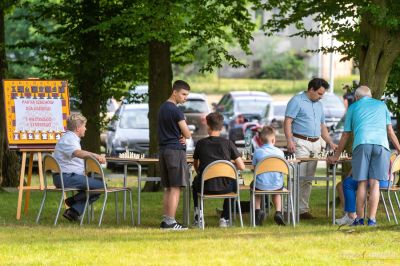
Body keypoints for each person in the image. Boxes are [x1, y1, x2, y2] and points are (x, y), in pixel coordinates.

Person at [328, 86, 400, 226]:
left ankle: (359, 219)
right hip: (381, 146)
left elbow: (345, 134)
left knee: (361, 182)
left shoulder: (353, 107)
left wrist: (336, 156)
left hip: (362, 144)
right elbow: (390, 131)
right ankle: (372, 220)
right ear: (371, 95)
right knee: (375, 183)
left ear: (356, 97)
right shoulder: (382, 105)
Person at [284, 77, 337, 219]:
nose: (321, 97)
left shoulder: (319, 105)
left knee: (308, 179)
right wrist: (289, 140)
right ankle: (288, 209)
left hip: (316, 143)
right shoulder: (297, 100)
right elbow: (288, 122)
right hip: (300, 142)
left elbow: (322, 126)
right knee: (297, 177)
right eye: (319, 94)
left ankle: (302, 210)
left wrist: (331, 143)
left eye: (322, 94)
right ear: (311, 89)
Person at [192, 112, 245, 228]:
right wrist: (228, 166)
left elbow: (195, 164)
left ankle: (198, 217)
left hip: (204, 187)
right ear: (221, 127)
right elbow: (241, 166)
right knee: (234, 182)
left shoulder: (201, 144)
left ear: (208, 126)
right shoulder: (228, 143)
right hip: (226, 187)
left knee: (195, 181)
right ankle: (225, 218)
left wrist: (202, 174)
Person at [53, 113, 106, 222]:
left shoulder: (70, 138)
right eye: (84, 126)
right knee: (101, 186)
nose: (85, 129)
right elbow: (77, 153)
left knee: (96, 191)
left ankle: (73, 212)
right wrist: (96, 155)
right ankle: (72, 201)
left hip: (66, 176)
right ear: (78, 128)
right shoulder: (69, 139)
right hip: (66, 178)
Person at [158, 80, 192, 230]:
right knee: (176, 187)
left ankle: (166, 220)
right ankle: (171, 222)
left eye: (187, 95)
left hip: (163, 150)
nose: (185, 97)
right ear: (175, 92)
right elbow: (187, 133)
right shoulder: (176, 110)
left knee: (168, 187)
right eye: (183, 94)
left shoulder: (162, 108)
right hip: (175, 151)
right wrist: (184, 135)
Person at [251, 125, 286, 226]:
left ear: (260, 140)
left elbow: (254, 169)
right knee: (277, 191)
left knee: (255, 189)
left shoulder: (257, 152)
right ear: (274, 139)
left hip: (261, 185)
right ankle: (278, 212)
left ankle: (258, 211)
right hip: (276, 184)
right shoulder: (280, 152)